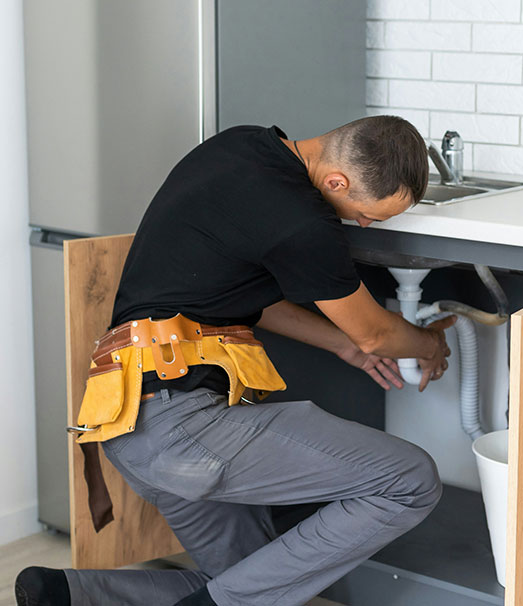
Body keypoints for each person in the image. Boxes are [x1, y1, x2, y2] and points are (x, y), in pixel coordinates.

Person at [16, 115, 456, 606]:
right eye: (369, 213)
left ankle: (71, 594)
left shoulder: (240, 147)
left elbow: (244, 296)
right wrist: (428, 345)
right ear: (337, 181)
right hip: (186, 430)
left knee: (258, 580)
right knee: (410, 480)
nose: (364, 226)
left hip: (124, 421)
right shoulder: (304, 220)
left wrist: (341, 343)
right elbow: (375, 333)